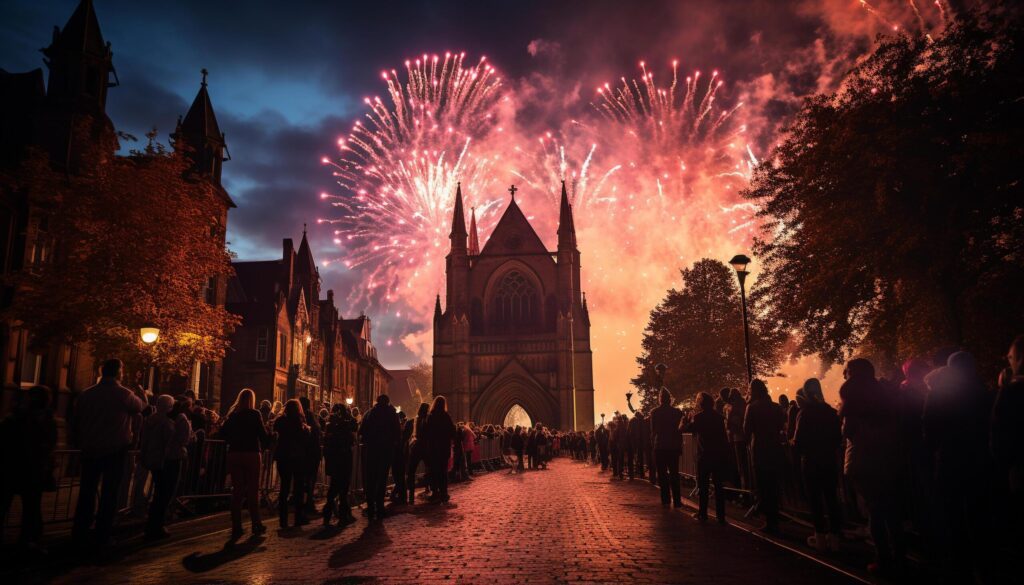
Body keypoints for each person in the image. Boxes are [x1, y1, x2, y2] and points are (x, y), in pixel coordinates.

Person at [71, 359, 147, 547]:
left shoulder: (86, 395)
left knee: (86, 491)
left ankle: (80, 531)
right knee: (109, 492)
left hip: (90, 448)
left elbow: (77, 419)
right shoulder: (123, 394)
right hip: (114, 449)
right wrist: (142, 394)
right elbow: (141, 408)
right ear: (119, 372)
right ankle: (102, 533)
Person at [839, 358, 904, 574]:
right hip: (887, 457)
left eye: (846, 371)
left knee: (875, 511)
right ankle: (899, 554)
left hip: (863, 459)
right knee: (891, 509)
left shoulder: (853, 396)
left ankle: (883, 558)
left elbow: (848, 432)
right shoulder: (884, 394)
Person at [0, 386, 56, 551]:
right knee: (31, 506)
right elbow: (47, 444)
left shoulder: (14, 417)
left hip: (12, 467)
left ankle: (27, 539)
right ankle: (29, 539)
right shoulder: (45, 420)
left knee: (7, 504)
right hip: (31, 469)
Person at [792, 378, 843, 551]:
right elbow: (838, 438)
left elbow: (799, 441)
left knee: (815, 500)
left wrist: (794, 448)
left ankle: (820, 536)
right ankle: (835, 537)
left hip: (811, 461)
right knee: (831, 499)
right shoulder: (829, 411)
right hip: (828, 460)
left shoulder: (804, 413)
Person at [218, 388, 270, 539]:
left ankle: (236, 526)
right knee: (253, 490)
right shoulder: (255, 414)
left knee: (237, 491)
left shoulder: (233, 416)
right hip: (252, 454)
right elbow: (262, 435)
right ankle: (256, 523)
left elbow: (222, 433)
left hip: (235, 454)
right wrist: (270, 438)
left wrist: (232, 441)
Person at [139, 394, 191, 540]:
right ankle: (156, 525)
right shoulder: (167, 423)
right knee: (165, 493)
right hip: (168, 460)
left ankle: (152, 523)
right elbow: (180, 440)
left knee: (159, 492)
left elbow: (145, 441)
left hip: (154, 460)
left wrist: (144, 456)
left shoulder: (150, 420)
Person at [743, 379, 786, 534]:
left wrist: (747, 445)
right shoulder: (775, 407)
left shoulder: (752, 407)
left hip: (759, 448)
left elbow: (746, 430)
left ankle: (768, 519)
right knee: (774, 484)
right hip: (775, 448)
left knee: (763, 484)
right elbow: (782, 425)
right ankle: (775, 516)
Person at [681, 392, 730, 523]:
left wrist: (683, 421)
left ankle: (703, 513)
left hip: (704, 454)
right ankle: (721, 515)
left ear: (701, 403)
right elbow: (724, 438)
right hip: (717, 454)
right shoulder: (719, 418)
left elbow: (686, 429)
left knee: (703, 485)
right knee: (719, 486)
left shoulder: (698, 417)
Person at [358, 394, 401, 519]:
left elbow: (362, 431)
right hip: (386, 451)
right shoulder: (392, 414)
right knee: (382, 479)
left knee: (371, 479)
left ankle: (371, 507)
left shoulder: (369, 414)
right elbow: (397, 433)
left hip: (372, 450)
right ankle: (380, 507)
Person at [273, 399, 311, 528]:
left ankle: (283, 520)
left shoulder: (280, 422)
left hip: (283, 457)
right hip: (297, 458)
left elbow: (275, 434)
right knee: (298, 489)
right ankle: (298, 517)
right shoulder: (300, 423)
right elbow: (306, 439)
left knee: (284, 488)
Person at [322, 403, 358, 525]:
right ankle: (343, 515)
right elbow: (352, 437)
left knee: (334, 487)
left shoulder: (330, 426)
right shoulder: (346, 425)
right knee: (343, 488)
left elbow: (326, 441)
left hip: (334, 459)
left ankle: (328, 514)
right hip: (344, 458)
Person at [650, 388, 684, 507]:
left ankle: (665, 499)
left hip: (660, 446)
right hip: (673, 446)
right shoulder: (677, 412)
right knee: (674, 474)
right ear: (670, 399)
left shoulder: (655, 412)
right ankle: (677, 500)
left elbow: (653, 431)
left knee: (662, 474)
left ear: (660, 399)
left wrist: (652, 445)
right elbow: (680, 430)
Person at [422, 396, 457, 502]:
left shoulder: (431, 416)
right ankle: (444, 492)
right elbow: (452, 432)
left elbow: (426, 432)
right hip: (444, 448)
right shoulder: (446, 416)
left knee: (434, 470)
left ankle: (435, 492)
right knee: (443, 471)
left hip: (433, 448)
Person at [298, 396, 321, 516]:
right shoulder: (309, 418)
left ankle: (304, 503)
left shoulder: (299, 417)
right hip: (311, 453)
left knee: (303, 480)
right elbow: (316, 434)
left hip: (305, 453)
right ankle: (308, 503)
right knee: (310, 479)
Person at [406, 403, 430, 502]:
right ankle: (428, 487)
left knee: (411, 470)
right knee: (429, 468)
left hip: (417, 446)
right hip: (425, 446)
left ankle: (411, 493)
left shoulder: (416, 419)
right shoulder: (427, 419)